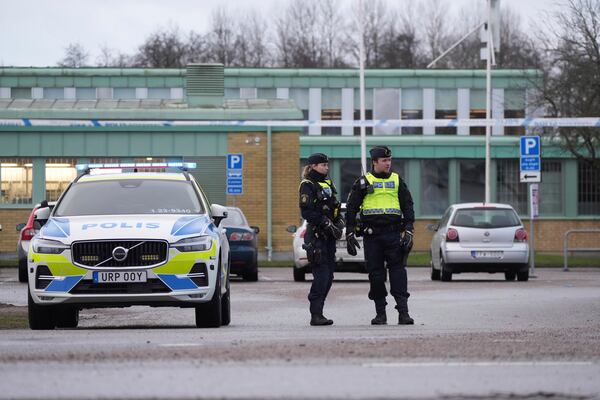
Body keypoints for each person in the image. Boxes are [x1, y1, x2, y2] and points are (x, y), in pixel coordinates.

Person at [345, 146, 416, 325]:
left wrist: (408, 229)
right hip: (372, 236)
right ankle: (380, 313)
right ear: (375, 162)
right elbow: (351, 208)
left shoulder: (397, 180)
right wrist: (350, 231)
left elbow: (408, 205)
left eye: (389, 160)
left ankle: (403, 312)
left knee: (398, 274)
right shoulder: (363, 182)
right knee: (376, 276)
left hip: (393, 235)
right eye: (384, 161)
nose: (388, 164)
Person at [299, 153, 344, 326]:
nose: (326, 168)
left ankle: (320, 312)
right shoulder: (307, 185)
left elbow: (333, 206)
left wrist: (338, 219)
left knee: (329, 276)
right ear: (313, 167)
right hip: (317, 236)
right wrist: (325, 222)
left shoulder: (328, 183)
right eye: (323, 165)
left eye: (327, 165)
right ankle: (315, 314)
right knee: (321, 275)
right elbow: (307, 211)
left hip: (328, 237)